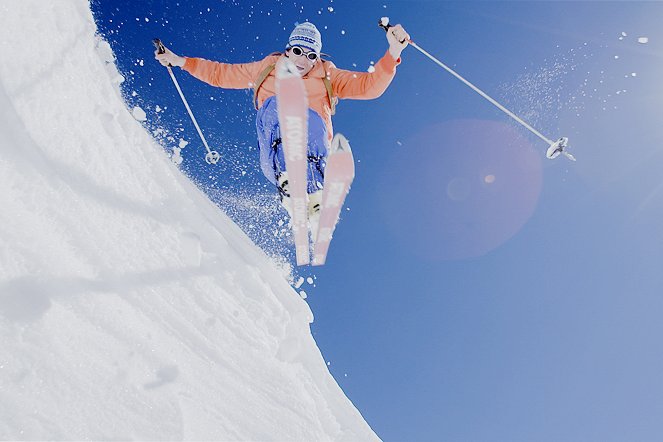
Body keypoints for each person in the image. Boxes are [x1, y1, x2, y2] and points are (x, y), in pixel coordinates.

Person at [156, 21, 409, 220]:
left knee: (307, 117)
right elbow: (221, 74)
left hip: (313, 151)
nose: (303, 61)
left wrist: (393, 52)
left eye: (311, 56)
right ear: (288, 50)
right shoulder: (267, 68)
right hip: (275, 155)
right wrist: (180, 62)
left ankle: (315, 195)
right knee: (279, 104)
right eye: (298, 51)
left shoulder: (327, 76)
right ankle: (292, 182)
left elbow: (369, 86)